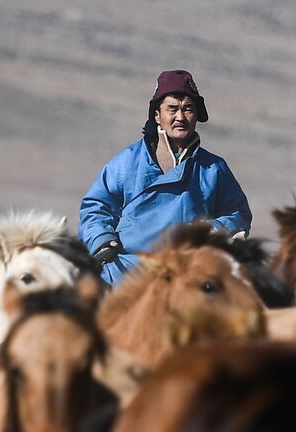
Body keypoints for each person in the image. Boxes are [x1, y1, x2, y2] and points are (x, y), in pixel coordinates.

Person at [79, 70, 253, 284]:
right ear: (157, 115)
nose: (180, 117)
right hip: (125, 273)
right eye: (172, 109)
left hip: (188, 276)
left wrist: (208, 231)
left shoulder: (214, 169)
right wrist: (101, 240)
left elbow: (237, 213)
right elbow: (96, 205)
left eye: (188, 109)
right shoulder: (127, 162)